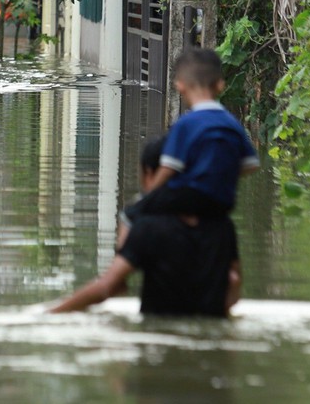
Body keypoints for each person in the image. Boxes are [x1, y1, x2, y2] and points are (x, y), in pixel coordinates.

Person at [50, 135, 242, 316]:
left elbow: (107, 287)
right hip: (210, 339)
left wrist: (49, 314)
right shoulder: (223, 226)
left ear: (150, 173)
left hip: (158, 339)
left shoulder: (148, 228)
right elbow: (233, 285)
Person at [120, 47, 259, 235]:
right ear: (220, 85)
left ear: (180, 86)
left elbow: (169, 168)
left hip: (189, 200)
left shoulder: (185, 124)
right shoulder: (232, 123)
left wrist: (148, 195)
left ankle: (123, 259)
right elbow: (251, 165)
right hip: (223, 203)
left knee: (129, 215)